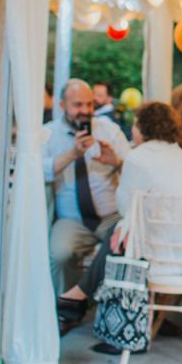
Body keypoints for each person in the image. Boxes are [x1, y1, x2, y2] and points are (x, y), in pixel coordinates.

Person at [57, 101, 182, 349]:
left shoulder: (138, 157)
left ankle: (113, 318)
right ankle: (142, 314)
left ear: (143, 127)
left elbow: (125, 210)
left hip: (171, 262)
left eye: (134, 123)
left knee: (122, 233)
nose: (132, 128)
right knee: (122, 232)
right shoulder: (178, 154)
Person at [43, 79, 130, 329]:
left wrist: (116, 162)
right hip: (73, 219)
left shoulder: (108, 129)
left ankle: (98, 304)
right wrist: (72, 154)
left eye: (89, 104)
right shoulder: (48, 133)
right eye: (77, 104)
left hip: (110, 215)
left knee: (125, 241)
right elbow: (38, 170)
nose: (85, 110)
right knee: (58, 254)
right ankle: (64, 311)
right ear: (62, 105)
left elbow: (131, 165)